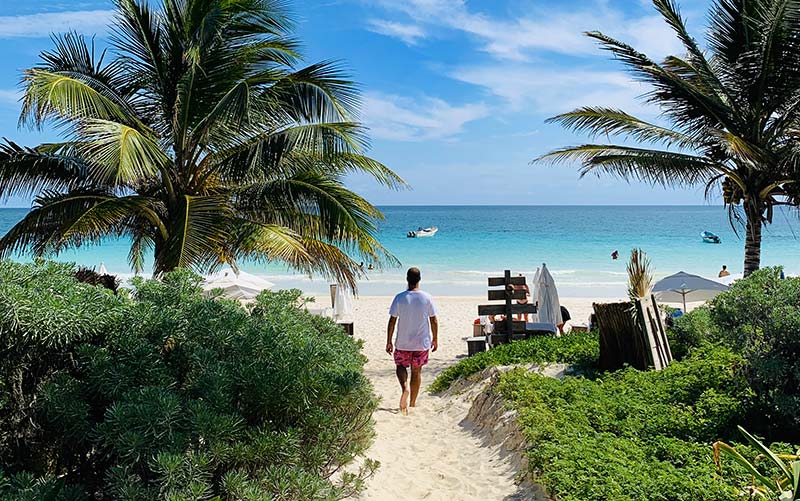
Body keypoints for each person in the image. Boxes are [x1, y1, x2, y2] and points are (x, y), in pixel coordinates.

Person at [386, 267, 438, 414]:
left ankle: (405, 388)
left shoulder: (400, 297)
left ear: (407, 279)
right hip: (421, 343)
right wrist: (435, 338)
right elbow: (433, 320)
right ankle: (413, 402)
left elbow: (392, 321)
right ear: (420, 279)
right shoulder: (427, 297)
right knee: (417, 371)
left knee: (401, 366)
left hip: (403, 342)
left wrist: (389, 341)